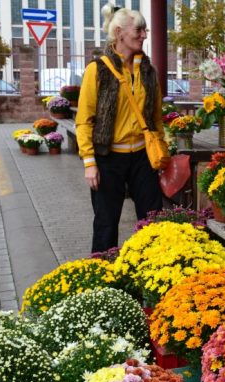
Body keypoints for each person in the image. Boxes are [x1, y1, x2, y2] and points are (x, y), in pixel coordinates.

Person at [76, 3, 166, 252]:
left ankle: (152, 273)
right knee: (106, 222)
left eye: (145, 30)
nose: (144, 35)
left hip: (142, 158)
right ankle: (105, 279)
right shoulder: (98, 70)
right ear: (119, 33)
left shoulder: (148, 71)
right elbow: (84, 120)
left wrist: (160, 154)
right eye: (139, 30)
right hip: (108, 158)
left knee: (153, 221)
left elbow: (156, 118)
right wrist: (89, 162)